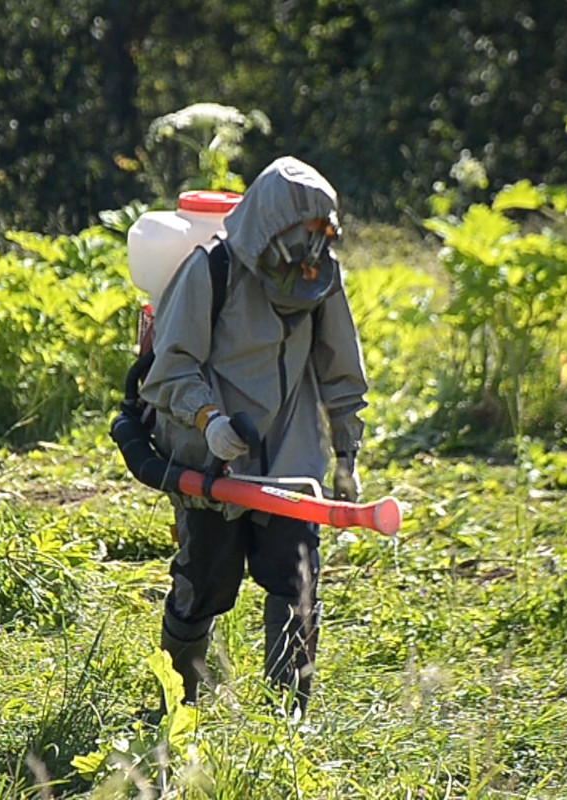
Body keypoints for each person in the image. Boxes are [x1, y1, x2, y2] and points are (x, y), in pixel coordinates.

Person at [139, 155, 368, 713]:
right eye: (303, 235)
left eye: (322, 236)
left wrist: (345, 453)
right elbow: (169, 368)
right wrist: (208, 421)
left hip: (292, 462)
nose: (311, 250)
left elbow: (341, 371)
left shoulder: (322, 279)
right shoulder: (210, 272)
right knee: (203, 589)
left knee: (296, 585)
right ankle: (179, 708)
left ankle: (286, 720)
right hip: (213, 463)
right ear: (271, 228)